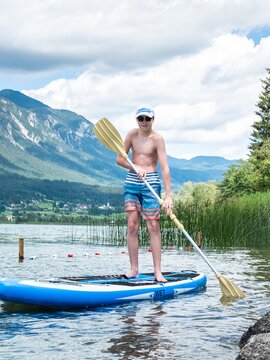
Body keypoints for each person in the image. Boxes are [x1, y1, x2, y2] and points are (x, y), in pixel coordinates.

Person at [116, 105, 173, 282]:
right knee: (132, 226)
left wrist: (168, 195)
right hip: (132, 183)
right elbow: (119, 159)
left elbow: (164, 167)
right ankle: (133, 270)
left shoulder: (158, 139)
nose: (144, 122)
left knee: (153, 226)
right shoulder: (131, 135)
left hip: (151, 184)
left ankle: (157, 272)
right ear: (137, 120)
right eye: (141, 118)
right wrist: (136, 167)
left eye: (147, 119)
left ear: (153, 120)